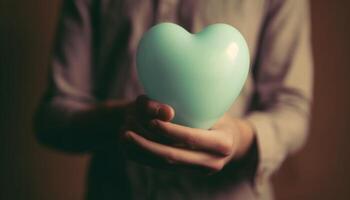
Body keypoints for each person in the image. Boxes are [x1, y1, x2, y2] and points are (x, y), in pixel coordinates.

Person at [35, 0, 313, 199]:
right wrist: (123, 119)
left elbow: (291, 107)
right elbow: (54, 115)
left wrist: (238, 137)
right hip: (117, 190)